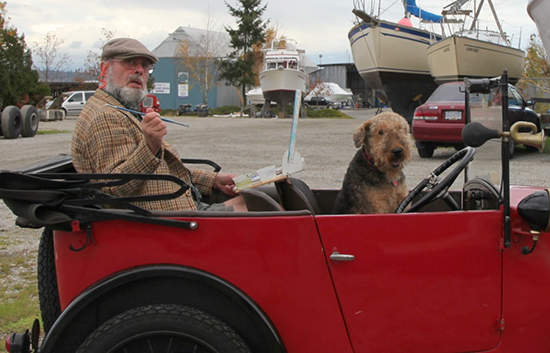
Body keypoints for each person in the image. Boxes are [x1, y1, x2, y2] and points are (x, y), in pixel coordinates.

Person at [72, 38, 247, 211]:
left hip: (175, 202)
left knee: (259, 192)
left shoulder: (119, 108)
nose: (139, 71)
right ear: (105, 68)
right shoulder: (106, 116)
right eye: (129, 62)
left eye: (145, 66)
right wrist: (150, 145)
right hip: (165, 221)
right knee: (256, 203)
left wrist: (213, 181)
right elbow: (116, 189)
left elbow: (163, 171)